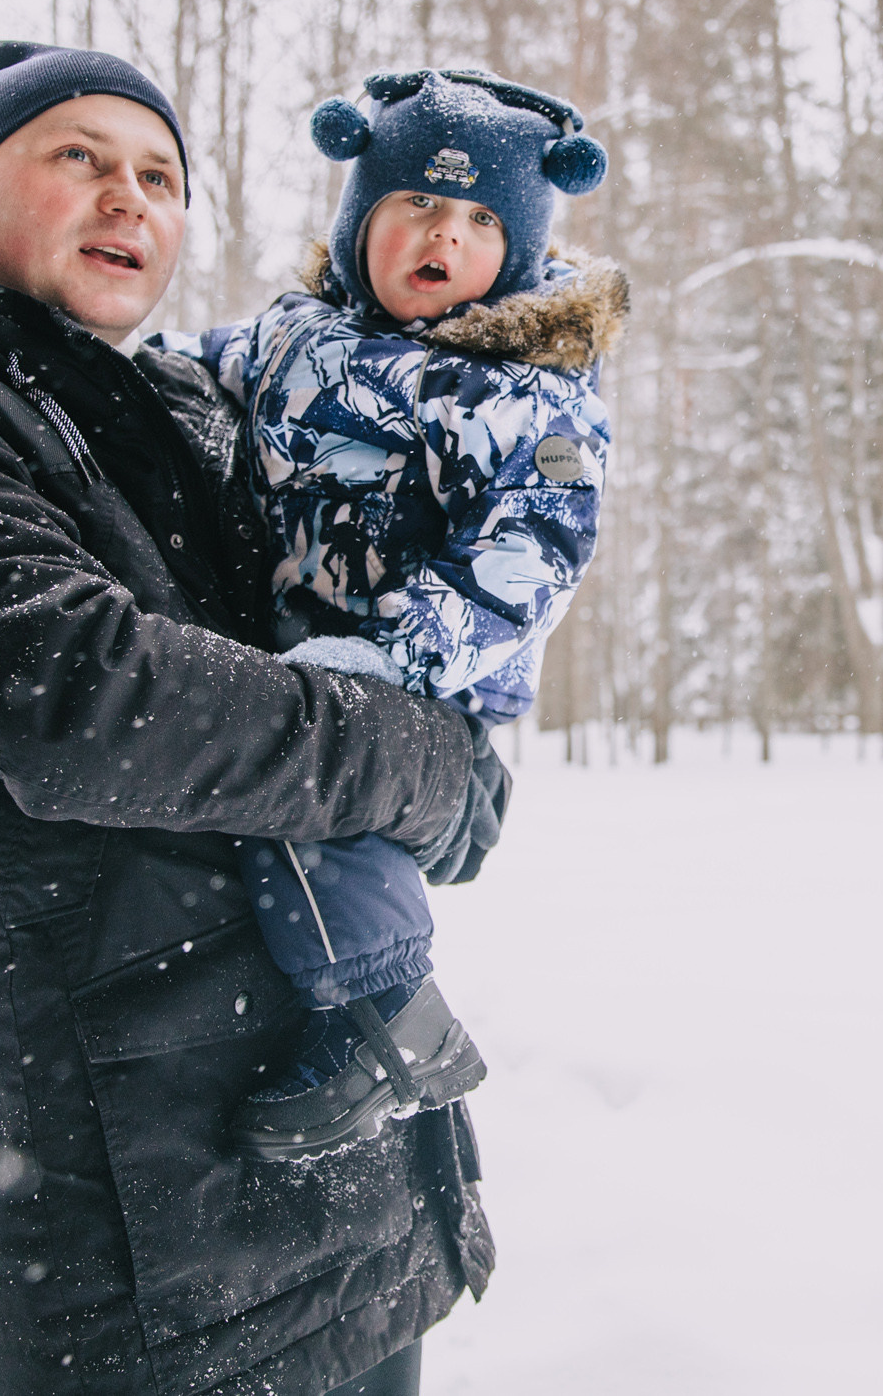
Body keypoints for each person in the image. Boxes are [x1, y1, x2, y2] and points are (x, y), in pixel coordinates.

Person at [0, 40, 502, 1396]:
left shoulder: (178, 407)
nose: (130, 197)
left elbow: (340, 606)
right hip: (134, 1228)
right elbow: (82, 696)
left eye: (160, 174)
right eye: (80, 157)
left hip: (339, 1172)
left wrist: (460, 722)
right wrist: (417, 761)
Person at [155, 69, 625, 1161]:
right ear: (358, 220)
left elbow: (532, 554)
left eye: (476, 220)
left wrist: (394, 653)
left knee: (318, 809)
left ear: (515, 248)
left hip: (424, 678)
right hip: (294, 649)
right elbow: (198, 376)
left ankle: (391, 1020)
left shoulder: (523, 390)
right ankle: (373, 1014)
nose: (442, 236)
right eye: (414, 205)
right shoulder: (293, 338)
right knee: (277, 792)